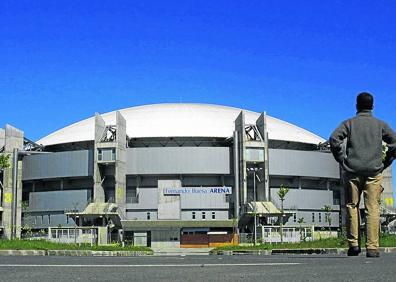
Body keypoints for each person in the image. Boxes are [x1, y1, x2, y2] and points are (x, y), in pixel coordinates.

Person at [330, 92, 396, 258]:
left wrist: (342, 159)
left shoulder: (349, 123)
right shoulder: (380, 124)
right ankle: (372, 247)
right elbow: (394, 141)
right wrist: (386, 161)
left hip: (352, 171)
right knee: (372, 208)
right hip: (374, 171)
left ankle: (353, 245)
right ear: (372, 106)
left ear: (356, 105)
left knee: (352, 206)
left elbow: (334, 139)